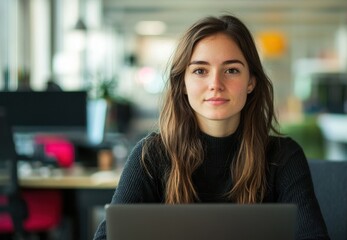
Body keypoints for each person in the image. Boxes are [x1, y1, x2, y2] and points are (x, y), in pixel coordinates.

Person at [94, 15, 329, 239]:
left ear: (251, 82)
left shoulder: (283, 157)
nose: (215, 84)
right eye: (200, 71)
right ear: (183, 84)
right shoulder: (150, 157)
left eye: (231, 70)